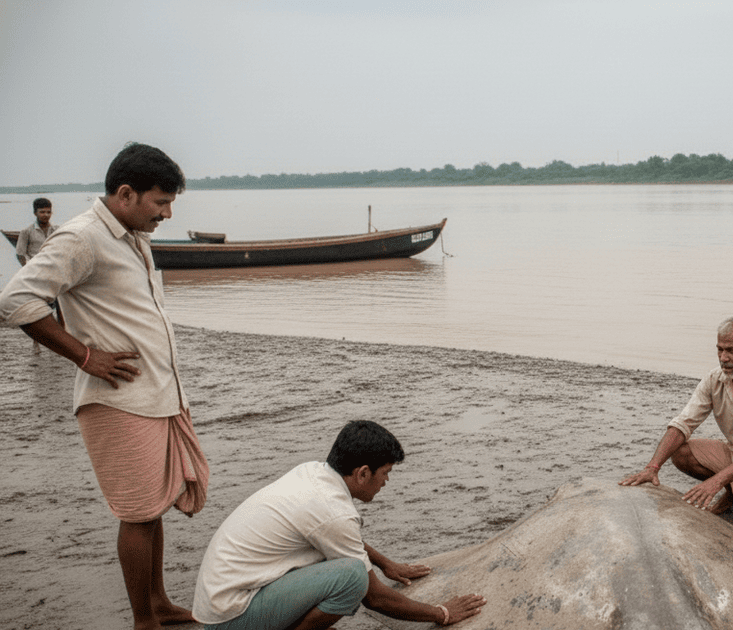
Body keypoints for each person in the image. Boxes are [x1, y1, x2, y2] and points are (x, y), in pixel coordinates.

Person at [0, 143, 209, 629]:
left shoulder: (133, 235)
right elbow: (15, 301)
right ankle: (144, 621)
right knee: (137, 512)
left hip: (155, 395)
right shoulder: (82, 238)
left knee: (153, 507)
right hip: (118, 401)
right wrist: (86, 356)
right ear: (125, 193)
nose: (168, 213)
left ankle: (158, 604)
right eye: (160, 202)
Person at [192, 420, 487, 629]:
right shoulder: (333, 512)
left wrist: (386, 564)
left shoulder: (313, 473)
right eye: (385, 473)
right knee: (352, 577)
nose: (387, 481)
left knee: (339, 563)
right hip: (231, 618)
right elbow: (374, 598)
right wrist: (443, 613)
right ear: (362, 473)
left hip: (222, 602)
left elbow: (333, 533)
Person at [620, 316, 733, 533]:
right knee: (679, 451)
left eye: (731, 351)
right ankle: (732, 492)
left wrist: (714, 483)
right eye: (720, 349)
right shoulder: (713, 379)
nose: (723, 358)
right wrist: (652, 467)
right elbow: (683, 423)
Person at [14, 197, 63, 352]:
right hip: (35, 273)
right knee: (37, 308)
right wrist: (28, 270)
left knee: (60, 306)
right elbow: (20, 253)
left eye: (48, 212)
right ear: (35, 212)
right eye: (42, 212)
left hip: (54, 272)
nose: (45, 215)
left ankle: (60, 342)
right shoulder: (27, 232)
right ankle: (36, 342)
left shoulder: (56, 230)